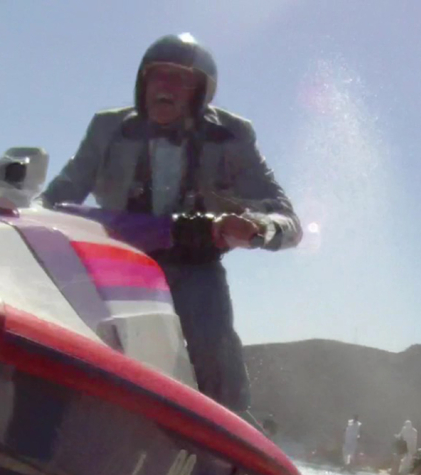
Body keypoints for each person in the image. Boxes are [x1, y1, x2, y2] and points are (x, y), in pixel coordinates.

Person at [40, 33, 302, 415]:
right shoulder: (107, 127)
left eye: (178, 78)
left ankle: (227, 436)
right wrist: (17, 208)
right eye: (156, 75)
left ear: (201, 92)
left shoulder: (232, 136)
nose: (164, 86)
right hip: (118, 258)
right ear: (142, 82)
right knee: (73, 331)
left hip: (195, 265)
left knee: (214, 352)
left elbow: (287, 218)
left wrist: (259, 228)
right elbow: (57, 196)